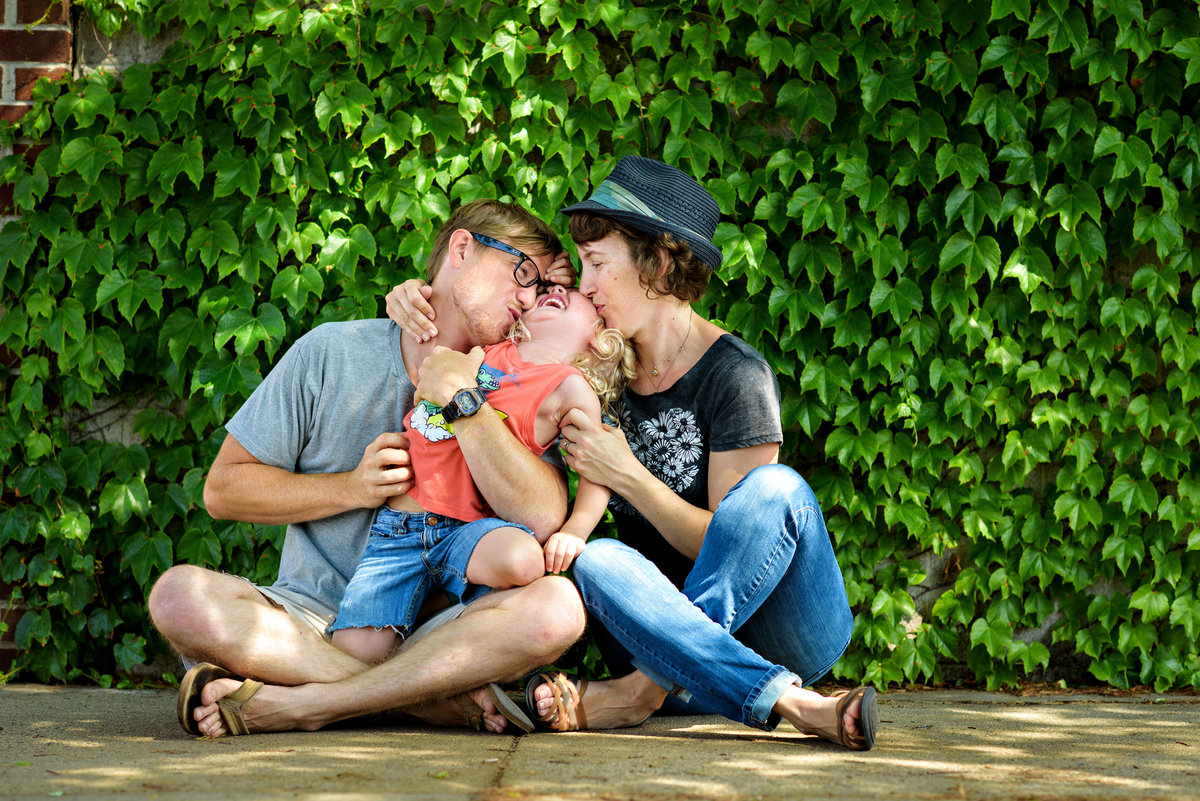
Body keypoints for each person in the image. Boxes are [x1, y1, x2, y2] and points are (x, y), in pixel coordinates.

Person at [388, 156, 878, 749]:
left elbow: (745, 542)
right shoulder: (589, 366)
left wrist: (632, 477)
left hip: (778, 626)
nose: (584, 286)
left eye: (597, 264)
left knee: (777, 492)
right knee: (596, 559)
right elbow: (484, 330)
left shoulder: (735, 376)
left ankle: (637, 696)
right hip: (645, 623)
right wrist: (412, 299)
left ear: (660, 260)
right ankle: (776, 700)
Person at [148, 199, 588, 738]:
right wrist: (352, 488)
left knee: (558, 608)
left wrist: (464, 402)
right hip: (301, 620)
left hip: (442, 633)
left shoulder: (518, 381)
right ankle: (430, 704)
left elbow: (543, 520)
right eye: (522, 272)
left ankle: (303, 698)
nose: (528, 297)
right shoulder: (332, 351)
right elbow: (223, 490)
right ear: (462, 248)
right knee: (178, 596)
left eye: (541, 288)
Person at [330, 285, 634, 665]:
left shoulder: (569, 387)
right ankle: (413, 612)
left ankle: (421, 606)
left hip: (469, 529)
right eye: (547, 288)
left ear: (600, 340)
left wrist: (576, 529)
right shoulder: (487, 349)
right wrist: (406, 296)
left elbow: (597, 462)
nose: (555, 288)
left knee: (523, 560)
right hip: (399, 527)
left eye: (574, 294)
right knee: (351, 656)